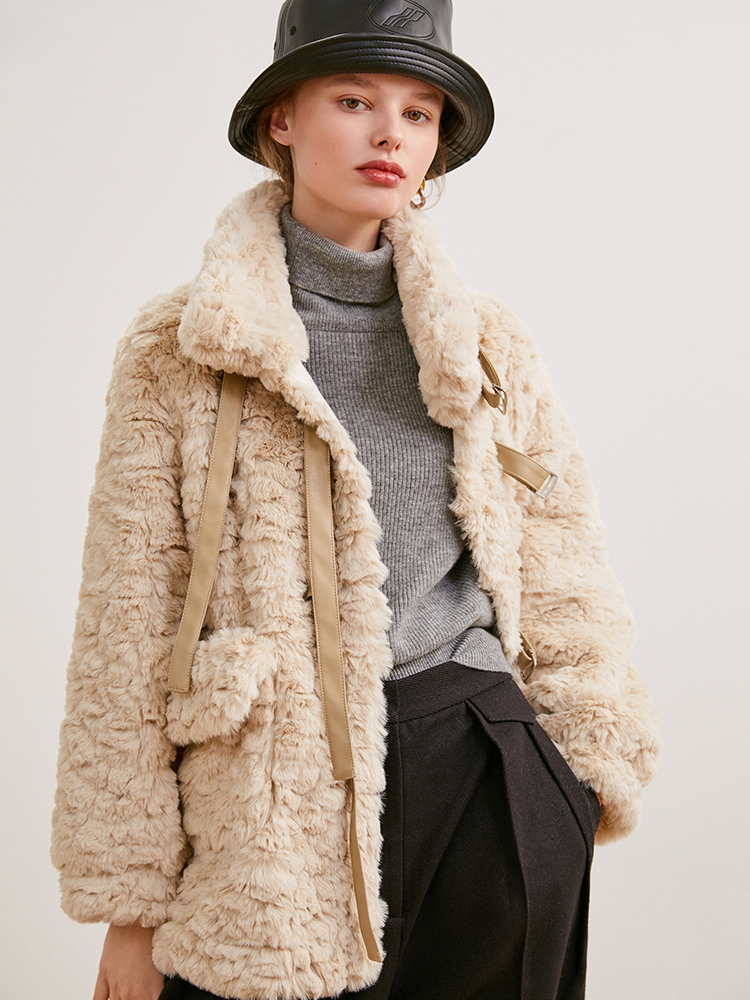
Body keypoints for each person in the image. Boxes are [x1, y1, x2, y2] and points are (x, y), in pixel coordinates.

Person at [50, 2, 661, 999]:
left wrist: (582, 772)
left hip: (485, 773)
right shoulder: (181, 348)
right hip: (266, 807)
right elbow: (126, 625)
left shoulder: (485, 342)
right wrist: (131, 905)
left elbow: (562, 556)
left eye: (419, 113)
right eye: (353, 100)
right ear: (282, 120)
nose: (391, 135)